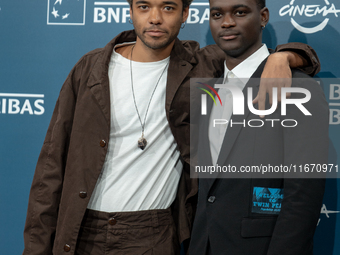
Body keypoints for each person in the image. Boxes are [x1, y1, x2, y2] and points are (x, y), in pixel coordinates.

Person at [22, 0, 321, 253]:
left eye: (167, 7)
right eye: (144, 6)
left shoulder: (201, 66)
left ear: (186, 14)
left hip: (155, 234)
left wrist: (285, 56)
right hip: (80, 228)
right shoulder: (89, 69)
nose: (155, 17)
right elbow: (51, 167)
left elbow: (251, 55)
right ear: (130, 11)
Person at [189, 0, 329, 254]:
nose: (227, 22)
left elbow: (303, 197)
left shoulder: (299, 88)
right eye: (217, 14)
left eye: (240, 12)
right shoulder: (207, 87)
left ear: (263, 16)